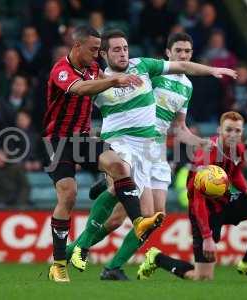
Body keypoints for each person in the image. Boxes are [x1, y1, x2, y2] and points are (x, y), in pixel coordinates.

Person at [66, 30, 237, 280]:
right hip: (127, 142)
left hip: (154, 151)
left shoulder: (186, 87)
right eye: (178, 51)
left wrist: (201, 142)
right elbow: (96, 87)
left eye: (188, 51)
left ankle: (107, 264)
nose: (183, 55)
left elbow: (178, 128)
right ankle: (80, 247)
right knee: (121, 199)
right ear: (168, 53)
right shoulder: (151, 72)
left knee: (153, 216)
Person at [43, 25, 164, 283]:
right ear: (77, 47)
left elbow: (109, 89)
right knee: (68, 195)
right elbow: (80, 89)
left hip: (83, 139)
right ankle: (58, 263)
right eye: (93, 49)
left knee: (120, 166)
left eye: (100, 50)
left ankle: (139, 220)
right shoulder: (61, 70)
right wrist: (114, 80)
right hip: (58, 142)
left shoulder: (95, 69)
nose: (98, 55)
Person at [137, 111, 247, 281]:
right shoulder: (206, 155)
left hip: (226, 202)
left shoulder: (239, 148)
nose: (233, 135)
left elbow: (234, 173)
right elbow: (198, 201)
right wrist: (206, 237)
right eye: (229, 130)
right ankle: (157, 258)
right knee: (203, 278)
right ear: (219, 129)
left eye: (238, 131)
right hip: (204, 212)